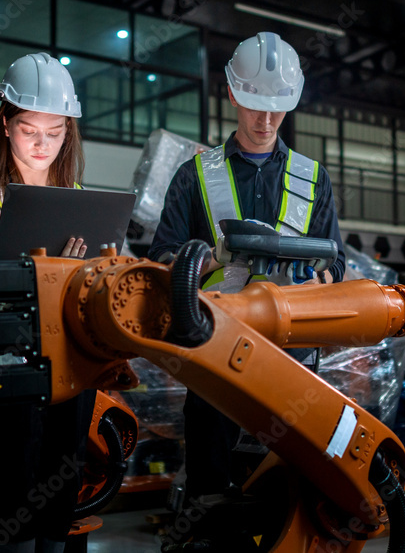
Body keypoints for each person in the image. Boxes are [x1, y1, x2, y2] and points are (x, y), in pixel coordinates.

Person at [147, 31, 346, 504]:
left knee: (287, 491)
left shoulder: (313, 178)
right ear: (233, 92)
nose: (267, 117)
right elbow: (159, 262)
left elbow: (335, 262)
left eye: (279, 104)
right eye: (256, 102)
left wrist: (324, 278)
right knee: (211, 497)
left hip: (293, 358)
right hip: (216, 354)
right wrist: (212, 257)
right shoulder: (195, 174)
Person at [0, 52, 93, 553]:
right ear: (6, 124)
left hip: (68, 369)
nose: (42, 144)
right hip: (8, 374)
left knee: (58, 497)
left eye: (55, 133)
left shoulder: (76, 197)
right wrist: (42, 273)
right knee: (7, 497)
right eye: (31, 129)